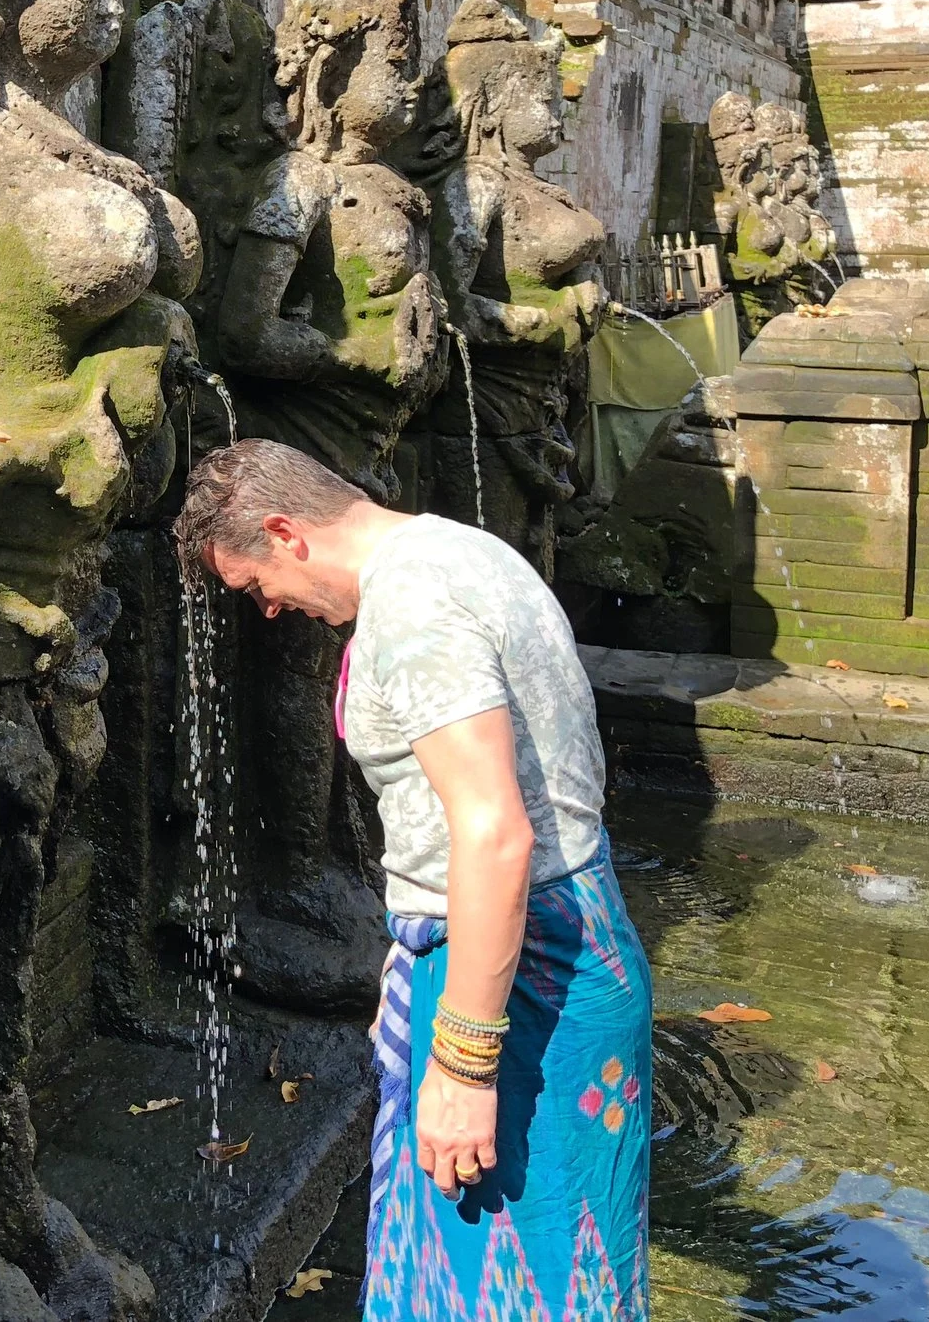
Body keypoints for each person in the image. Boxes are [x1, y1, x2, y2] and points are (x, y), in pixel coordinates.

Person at [175, 438, 652, 1320]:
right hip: (553, 938)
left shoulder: (414, 608)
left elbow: (495, 833)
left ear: (286, 531)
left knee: (519, 1286)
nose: (269, 609)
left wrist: (465, 1064)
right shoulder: (458, 550)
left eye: (255, 584)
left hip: (519, 971)